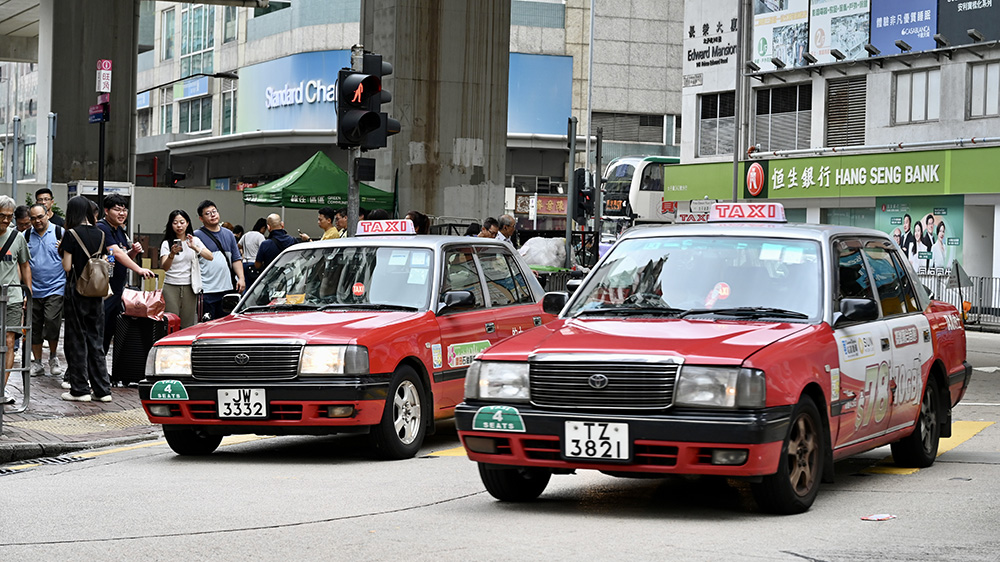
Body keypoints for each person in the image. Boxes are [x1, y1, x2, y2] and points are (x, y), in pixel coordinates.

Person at [59, 196, 113, 402]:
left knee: (77, 339)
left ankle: (80, 389)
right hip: (97, 292)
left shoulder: (71, 234)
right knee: (96, 339)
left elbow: (67, 267)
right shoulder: (100, 233)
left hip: (77, 291)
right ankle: (102, 390)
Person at [97, 194, 155, 354]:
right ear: (106, 211)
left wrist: (133, 252)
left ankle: (100, 371)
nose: (122, 213)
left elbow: (122, 257)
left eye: (124, 210)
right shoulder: (102, 228)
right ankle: (85, 372)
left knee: (109, 331)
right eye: (117, 209)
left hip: (117, 289)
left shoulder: (120, 230)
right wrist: (139, 269)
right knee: (98, 331)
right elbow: (115, 253)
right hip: (103, 290)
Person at [25, 204, 66, 378]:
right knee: (34, 327)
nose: (37, 221)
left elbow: (69, 256)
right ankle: (37, 362)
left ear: (47, 215)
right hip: (33, 289)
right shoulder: (25, 235)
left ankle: (53, 357)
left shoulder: (60, 233)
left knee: (52, 321)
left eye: (40, 217)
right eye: (33, 218)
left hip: (56, 287)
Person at [0, 196, 31, 405]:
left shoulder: (17, 237)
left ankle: (1, 388)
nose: (5, 220)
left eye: (9, 217)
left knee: (9, 341)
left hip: (12, 298)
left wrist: (28, 292)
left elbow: (25, 265)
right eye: (2, 216)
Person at [160, 210, 213, 329]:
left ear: (187, 223)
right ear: (171, 225)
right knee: (171, 321)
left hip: (190, 286)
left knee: (188, 322)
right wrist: (172, 254)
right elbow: (165, 267)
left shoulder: (194, 240)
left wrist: (194, 247)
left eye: (182, 222)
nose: (179, 226)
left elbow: (210, 256)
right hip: (171, 286)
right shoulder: (166, 243)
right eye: (175, 223)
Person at [193, 200, 245, 320]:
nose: (212, 215)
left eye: (214, 211)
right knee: (207, 324)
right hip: (206, 290)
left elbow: (236, 259)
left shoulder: (229, 235)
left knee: (226, 325)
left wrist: (241, 278)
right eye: (208, 213)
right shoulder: (196, 236)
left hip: (227, 289)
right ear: (201, 218)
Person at [240, 217, 267, 288]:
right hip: (254, 264)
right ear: (263, 228)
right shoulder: (260, 236)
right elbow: (264, 248)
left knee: (245, 286)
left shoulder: (246, 235)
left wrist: (244, 251)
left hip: (244, 263)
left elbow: (238, 245)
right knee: (254, 288)